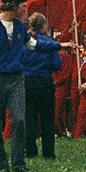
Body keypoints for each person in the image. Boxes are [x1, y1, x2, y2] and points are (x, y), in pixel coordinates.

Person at [0, 0, 69, 172]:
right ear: (13, 5)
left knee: (19, 120)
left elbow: (33, 44)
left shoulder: (19, 26)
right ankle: (0, 165)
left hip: (16, 78)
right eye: (23, 6)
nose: (25, 10)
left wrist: (59, 46)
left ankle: (19, 164)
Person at [21, 13, 62, 159]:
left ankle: (30, 150)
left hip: (26, 81)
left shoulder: (23, 42)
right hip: (44, 81)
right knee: (47, 118)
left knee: (28, 118)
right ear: (44, 26)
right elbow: (57, 64)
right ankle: (48, 152)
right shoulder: (49, 42)